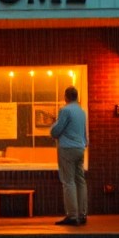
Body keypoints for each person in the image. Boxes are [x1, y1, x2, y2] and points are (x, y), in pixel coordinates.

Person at [49, 85, 87, 225]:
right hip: (80, 147)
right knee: (80, 181)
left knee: (68, 181)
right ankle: (82, 214)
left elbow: (56, 131)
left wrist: (52, 127)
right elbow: (84, 131)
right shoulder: (81, 111)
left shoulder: (65, 110)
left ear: (66, 97)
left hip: (67, 148)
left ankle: (72, 215)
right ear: (76, 96)